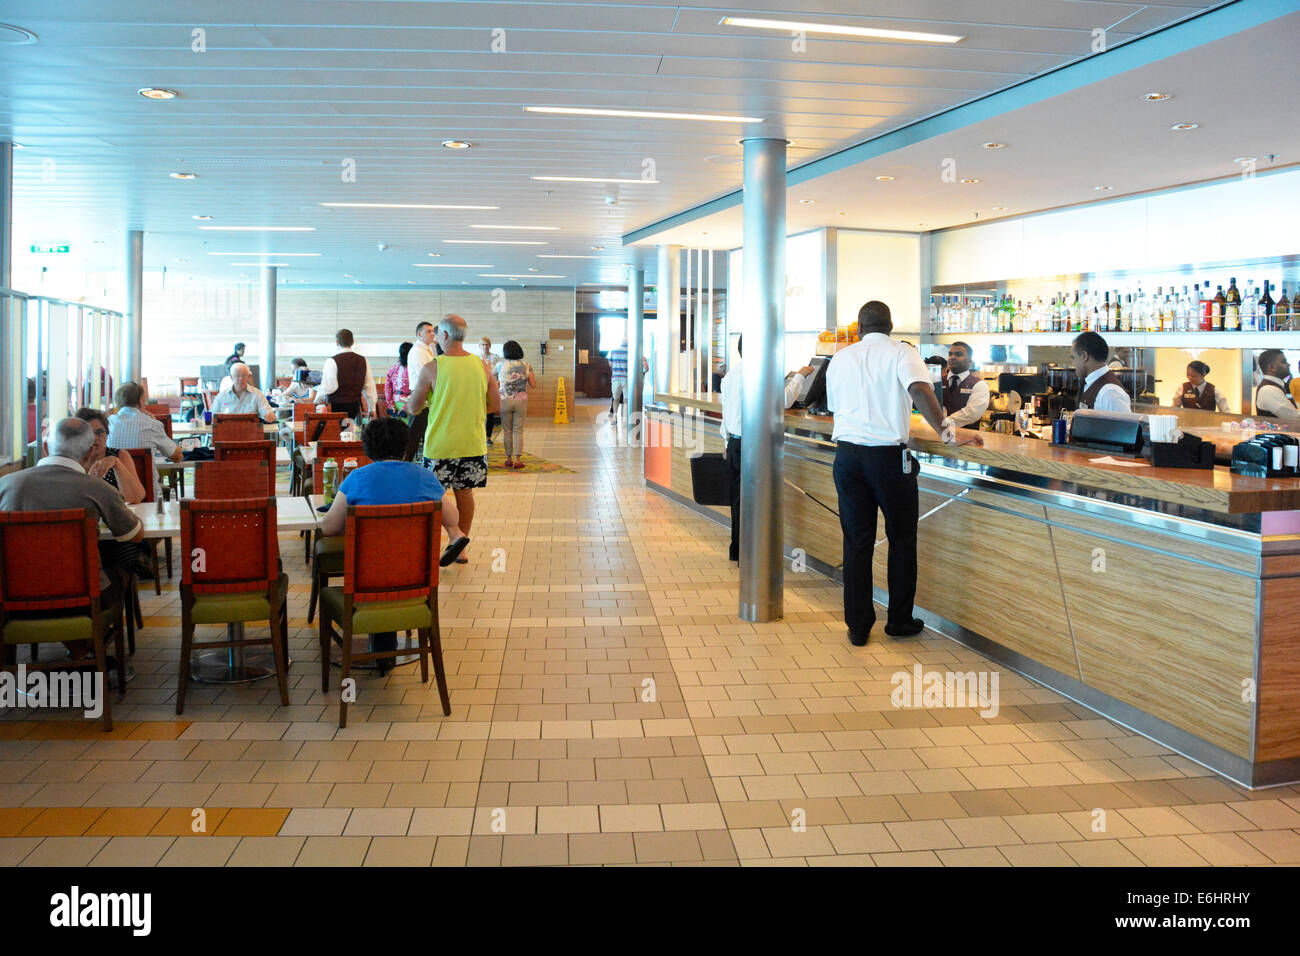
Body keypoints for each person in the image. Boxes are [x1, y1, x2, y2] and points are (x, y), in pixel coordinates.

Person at [826, 300, 982, 646]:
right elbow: (920, 390)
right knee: (901, 540)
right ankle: (897, 620)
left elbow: (836, 406)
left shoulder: (840, 357)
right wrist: (947, 433)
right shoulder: (902, 353)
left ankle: (858, 626)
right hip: (887, 460)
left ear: (859, 327)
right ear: (891, 325)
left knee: (857, 541)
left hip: (848, 458)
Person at [320, 417, 470, 675]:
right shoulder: (424, 477)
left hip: (363, 586)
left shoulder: (356, 479)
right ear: (406, 447)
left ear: (367, 449)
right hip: (415, 587)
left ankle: (371, 651)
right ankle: (389, 652)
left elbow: (329, 527)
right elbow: (453, 518)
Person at [0, 418, 144, 672]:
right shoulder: (97, 489)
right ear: (90, 452)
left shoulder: (6, 485)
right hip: (84, 602)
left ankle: (79, 651)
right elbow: (134, 535)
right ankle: (86, 652)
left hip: (14, 603)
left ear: (46, 447)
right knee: (119, 573)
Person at [408, 315, 501, 564]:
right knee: (465, 493)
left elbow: (414, 407)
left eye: (438, 334)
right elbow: (495, 404)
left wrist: (414, 402)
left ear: (446, 336)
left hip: (441, 444)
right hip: (473, 442)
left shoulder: (433, 367)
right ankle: (460, 546)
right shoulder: (482, 366)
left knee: (432, 493)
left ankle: (452, 535)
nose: (436, 338)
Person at [719, 335, 815, 562]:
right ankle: (751, 556)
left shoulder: (731, 375)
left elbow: (728, 413)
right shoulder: (760, 375)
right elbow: (783, 400)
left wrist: (726, 443)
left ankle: (738, 550)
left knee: (738, 502)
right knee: (753, 502)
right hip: (753, 446)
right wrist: (800, 375)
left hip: (734, 444)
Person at [108, 382, 182, 499]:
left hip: (114, 494)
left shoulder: (108, 424)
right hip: (148, 494)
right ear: (141, 401)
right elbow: (177, 457)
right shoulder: (151, 424)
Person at [75, 408, 145, 505]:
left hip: (112, 516)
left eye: (99, 432)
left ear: (107, 434)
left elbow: (136, 498)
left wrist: (117, 464)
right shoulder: (72, 459)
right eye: (89, 433)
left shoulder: (119, 456)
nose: (95, 438)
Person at [313, 328, 376, 419]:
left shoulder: (332, 361)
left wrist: (317, 401)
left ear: (336, 342)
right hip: (355, 406)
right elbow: (369, 386)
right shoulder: (363, 360)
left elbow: (328, 387)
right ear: (353, 342)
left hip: (336, 407)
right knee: (351, 431)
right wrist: (372, 408)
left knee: (338, 431)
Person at [495, 340, 537, 469]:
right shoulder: (526, 365)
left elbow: (489, 378)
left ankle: (508, 459)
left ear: (505, 352)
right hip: (521, 401)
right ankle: (518, 460)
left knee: (507, 431)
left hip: (504, 400)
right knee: (518, 430)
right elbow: (533, 385)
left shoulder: (500, 365)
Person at [1071, 331, 1132, 413]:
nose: (1073, 363)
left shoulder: (1110, 392)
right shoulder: (1091, 383)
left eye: (1074, 358)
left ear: (1084, 356)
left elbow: (1126, 425)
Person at [405, 321, 438, 461]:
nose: (432, 334)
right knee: (414, 433)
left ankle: (423, 462)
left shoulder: (427, 349)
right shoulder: (418, 351)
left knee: (425, 431)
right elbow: (426, 376)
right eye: (428, 331)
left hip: (427, 394)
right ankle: (404, 462)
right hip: (421, 395)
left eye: (433, 331)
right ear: (419, 334)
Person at [940, 341, 990, 431]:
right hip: (937, 437)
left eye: (958, 354)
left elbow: (972, 413)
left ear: (969, 361)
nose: (952, 357)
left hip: (968, 439)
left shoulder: (979, 385)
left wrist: (943, 423)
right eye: (950, 354)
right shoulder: (939, 382)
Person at [210, 363, 276, 422]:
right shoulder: (222, 396)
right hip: (227, 432)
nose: (240, 379)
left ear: (248, 377)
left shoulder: (257, 394)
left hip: (251, 433)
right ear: (231, 377)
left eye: (243, 375)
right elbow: (212, 416)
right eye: (237, 376)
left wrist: (270, 416)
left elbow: (267, 412)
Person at [607, 337, 650, 416]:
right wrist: (641, 373)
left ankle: (614, 416)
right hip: (628, 379)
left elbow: (610, 364)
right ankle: (625, 418)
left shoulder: (613, 351)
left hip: (616, 378)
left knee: (615, 398)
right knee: (627, 400)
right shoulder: (634, 353)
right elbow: (646, 368)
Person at [1254, 349, 1300, 419]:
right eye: (1284, 362)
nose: (1289, 365)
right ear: (1272, 367)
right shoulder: (1268, 390)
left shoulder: (1275, 386)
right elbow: (1293, 416)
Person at [478, 337, 500, 445]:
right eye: (482, 345)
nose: (484, 347)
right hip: (479, 388)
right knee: (479, 413)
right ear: (479, 346)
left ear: (490, 345)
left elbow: (500, 371)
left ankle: (488, 437)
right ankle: (479, 436)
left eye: (486, 344)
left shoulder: (495, 357)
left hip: (492, 387)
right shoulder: (475, 358)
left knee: (490, 413)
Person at [386, 342, 413, 417]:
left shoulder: (393, 369)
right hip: (407, 405)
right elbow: (416, 389)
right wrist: (406, 407)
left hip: (394, 404)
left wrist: (390, 405)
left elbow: (387, 389)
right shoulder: (413, 369)